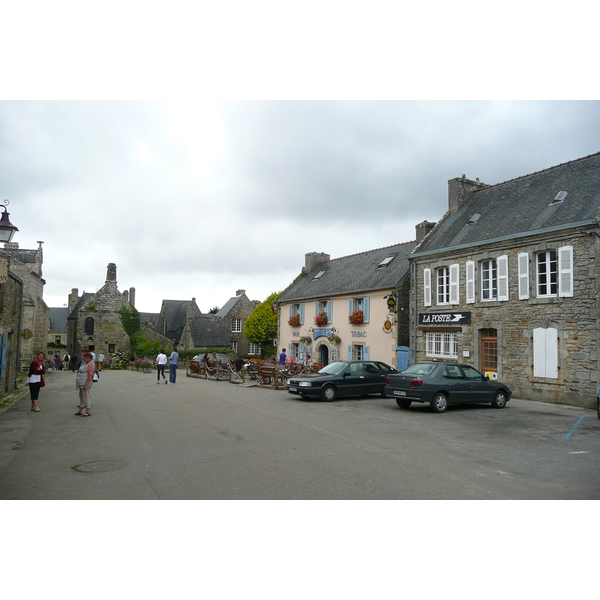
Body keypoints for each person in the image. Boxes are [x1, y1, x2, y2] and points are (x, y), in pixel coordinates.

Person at [75, 352, 95, 417]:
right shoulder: (85, 364)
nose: (85, 359)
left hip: (85, 382)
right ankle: (80, 410)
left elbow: (90, 374)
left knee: (86, 396)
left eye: (87, 358)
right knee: (81, 396)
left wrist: (87, 384)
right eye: (84, 357)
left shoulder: (91, 364)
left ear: (90, 358)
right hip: (81, 382)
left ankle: (88, 410)